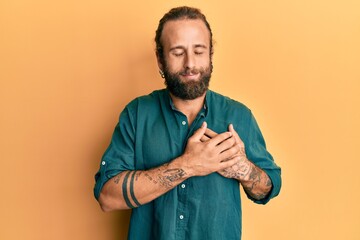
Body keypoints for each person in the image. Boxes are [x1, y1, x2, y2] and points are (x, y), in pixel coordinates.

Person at [94, 6, 281, 240]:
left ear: (211, 54)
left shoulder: (238, 115)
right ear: (160, 60)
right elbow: (107, 197)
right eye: (177, 52)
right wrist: (189, 165)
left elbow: (269, 187)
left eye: (199, 51)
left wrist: (243, 169)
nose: (190, 63)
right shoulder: (137, 113)